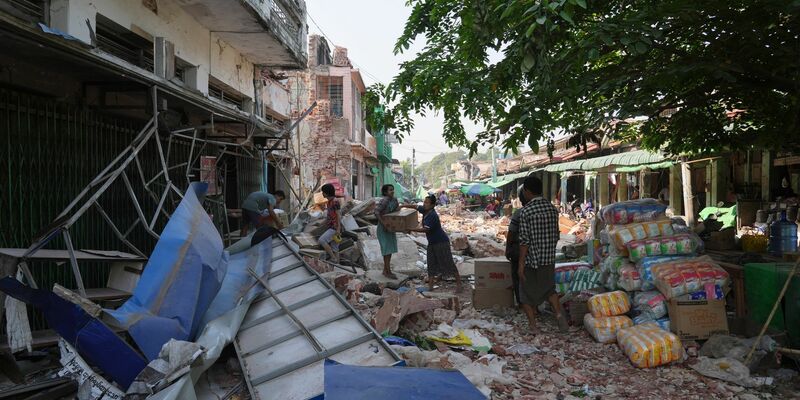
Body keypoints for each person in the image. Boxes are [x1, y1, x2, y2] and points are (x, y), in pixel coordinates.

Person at [517, 175, 569, 334]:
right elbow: (556, 234)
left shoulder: (526, 211)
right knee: (549, 290)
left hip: (532, 260)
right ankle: (559, 315)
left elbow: (524, 241)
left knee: (524, 293)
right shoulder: (552, 209)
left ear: (526, 191)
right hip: (548, 258)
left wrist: (520, 263)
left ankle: (533, 326)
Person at [403, 195, 463, 292]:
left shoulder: (432, 215)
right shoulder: (425, 210)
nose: (424, 204)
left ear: (432, 205)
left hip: (441, 242)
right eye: (424, 202)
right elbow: (416, 207)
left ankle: (459, 284)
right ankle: (430, 287)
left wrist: (411, 229)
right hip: (432, 242)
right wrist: (403, 206)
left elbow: (426, 230)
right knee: (431, 263)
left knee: (448, 263)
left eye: (427, 203)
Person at [505, 187, 529, 306]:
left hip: (519, 251)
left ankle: (521, 302)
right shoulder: (548, 211)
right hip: (537, 252)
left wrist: (507, 249)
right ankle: (533, 303)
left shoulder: (519, 213)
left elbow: (511, 233)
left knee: (517, 276)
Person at [375, 184, 399, 279]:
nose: (392, 191)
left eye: (393, 189)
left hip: (391, 228)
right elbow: (376, 212)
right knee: (386, 250)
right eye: (390, 190)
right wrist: (384, 224)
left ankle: (386, 270)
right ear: (385, 192)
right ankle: (388, 272)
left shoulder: (394, 200)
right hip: (383, 228)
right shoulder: (384, 201)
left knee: (390, 250)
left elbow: (396, 211)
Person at [317, 184, 341, 263]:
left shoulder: (335, 202)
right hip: (332, 227)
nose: (322, 194)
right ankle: (338, 266)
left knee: (322, 240)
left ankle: (333, 258)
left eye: (323, 192)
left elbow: (338, 215)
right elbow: (330, 215)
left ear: (326, 193)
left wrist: (338, 229)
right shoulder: (329, 202)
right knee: (335, 248)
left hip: (334, 228)